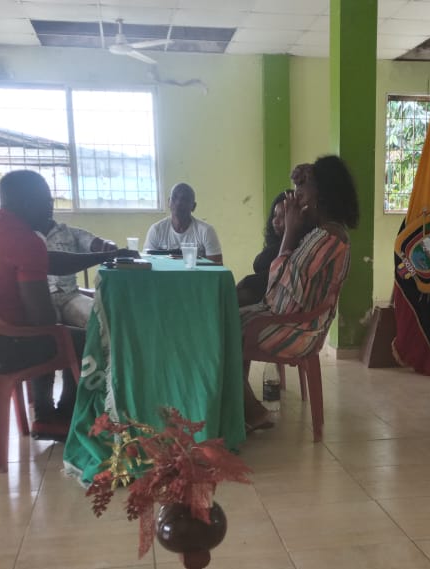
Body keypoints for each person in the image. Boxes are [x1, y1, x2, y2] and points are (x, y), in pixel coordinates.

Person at [0, 170, 123, 440]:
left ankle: (46, 415)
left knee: (58, 334)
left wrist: (105, 256)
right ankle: (59, 416)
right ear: (27, 203)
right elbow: (42, 319)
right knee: (81, 338)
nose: (51, 208)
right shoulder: (25, 240)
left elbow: (49, 260)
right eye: (47, 201)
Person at [240, 156, 360, 431]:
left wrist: (291, 230)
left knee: (225, 330)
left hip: (297, 329)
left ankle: (250, 411)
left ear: (321, 196)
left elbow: (281, 280)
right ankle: (243, 407)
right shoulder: (322, 233)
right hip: (290, 318)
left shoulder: (328, 237)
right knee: (229, 319)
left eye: (303, 193)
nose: (297, 199)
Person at [236, 190, 308, 308]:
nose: (275, 221)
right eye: (275, 215)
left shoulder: (296, 246)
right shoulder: (276, 244)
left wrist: (247, 281)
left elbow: (274, 275)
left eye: (283, 216)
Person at [43, 220, 116, 329]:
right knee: (46, 326)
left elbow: (95, 243)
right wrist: (105, 256)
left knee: (103, 317)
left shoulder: (68, 232)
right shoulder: (26, 236)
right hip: (40, 297)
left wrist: (108, 246)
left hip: (70, 296)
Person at [144, 182, 223, 262]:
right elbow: (148, 264)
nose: (178, 203)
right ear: (169, 202)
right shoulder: (156, 230)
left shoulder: (206, 231)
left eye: (185, 199)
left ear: (193, 206)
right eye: (174, 198)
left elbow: (217, 266)